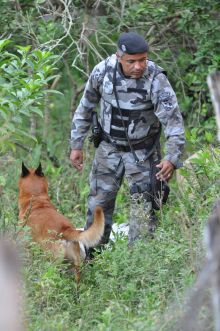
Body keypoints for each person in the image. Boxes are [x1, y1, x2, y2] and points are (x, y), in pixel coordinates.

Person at [70, 31, 185, 247]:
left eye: (143, 59)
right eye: (131, 61)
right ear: (118, 57)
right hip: (108, 149)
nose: (138, 66)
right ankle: (92, 260)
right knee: (98, 205)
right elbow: (85, 108)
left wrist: (171, 157)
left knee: (144, 210)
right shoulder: (103, 71)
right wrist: (76, 144)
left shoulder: (156, 79)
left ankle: (138, 267)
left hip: (143, 153)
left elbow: (174, 122)